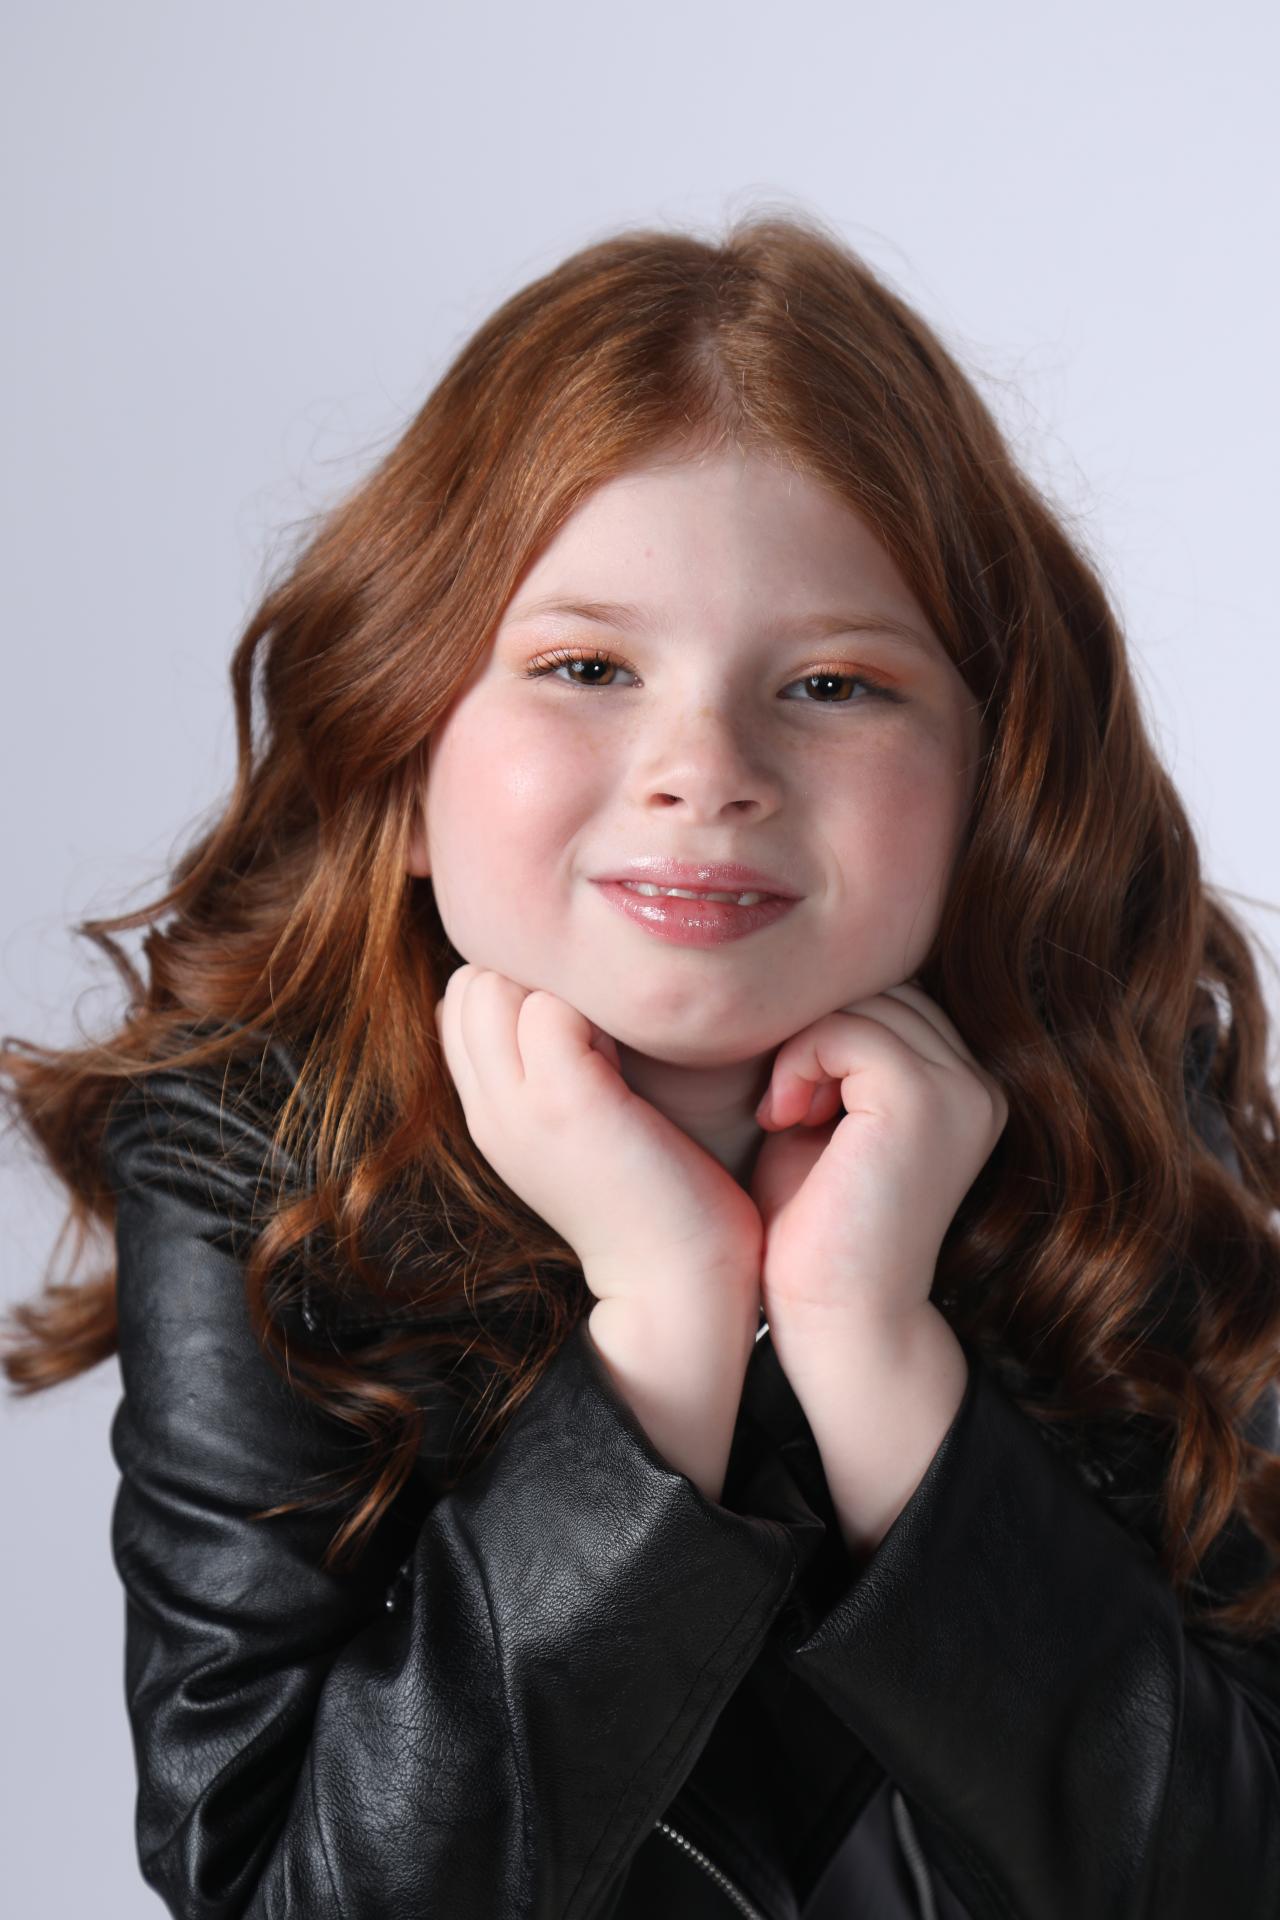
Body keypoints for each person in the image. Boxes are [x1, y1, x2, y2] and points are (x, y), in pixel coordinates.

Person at [3, 207, 1280, 1920]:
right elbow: (286, 1894)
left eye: (832, 683)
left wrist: (869, 1347)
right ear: (400, 764)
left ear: (993, 785)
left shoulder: (1127, 1121)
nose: (706, 766)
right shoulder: (251, 1161)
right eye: (587, 666)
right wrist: (668, 1324)